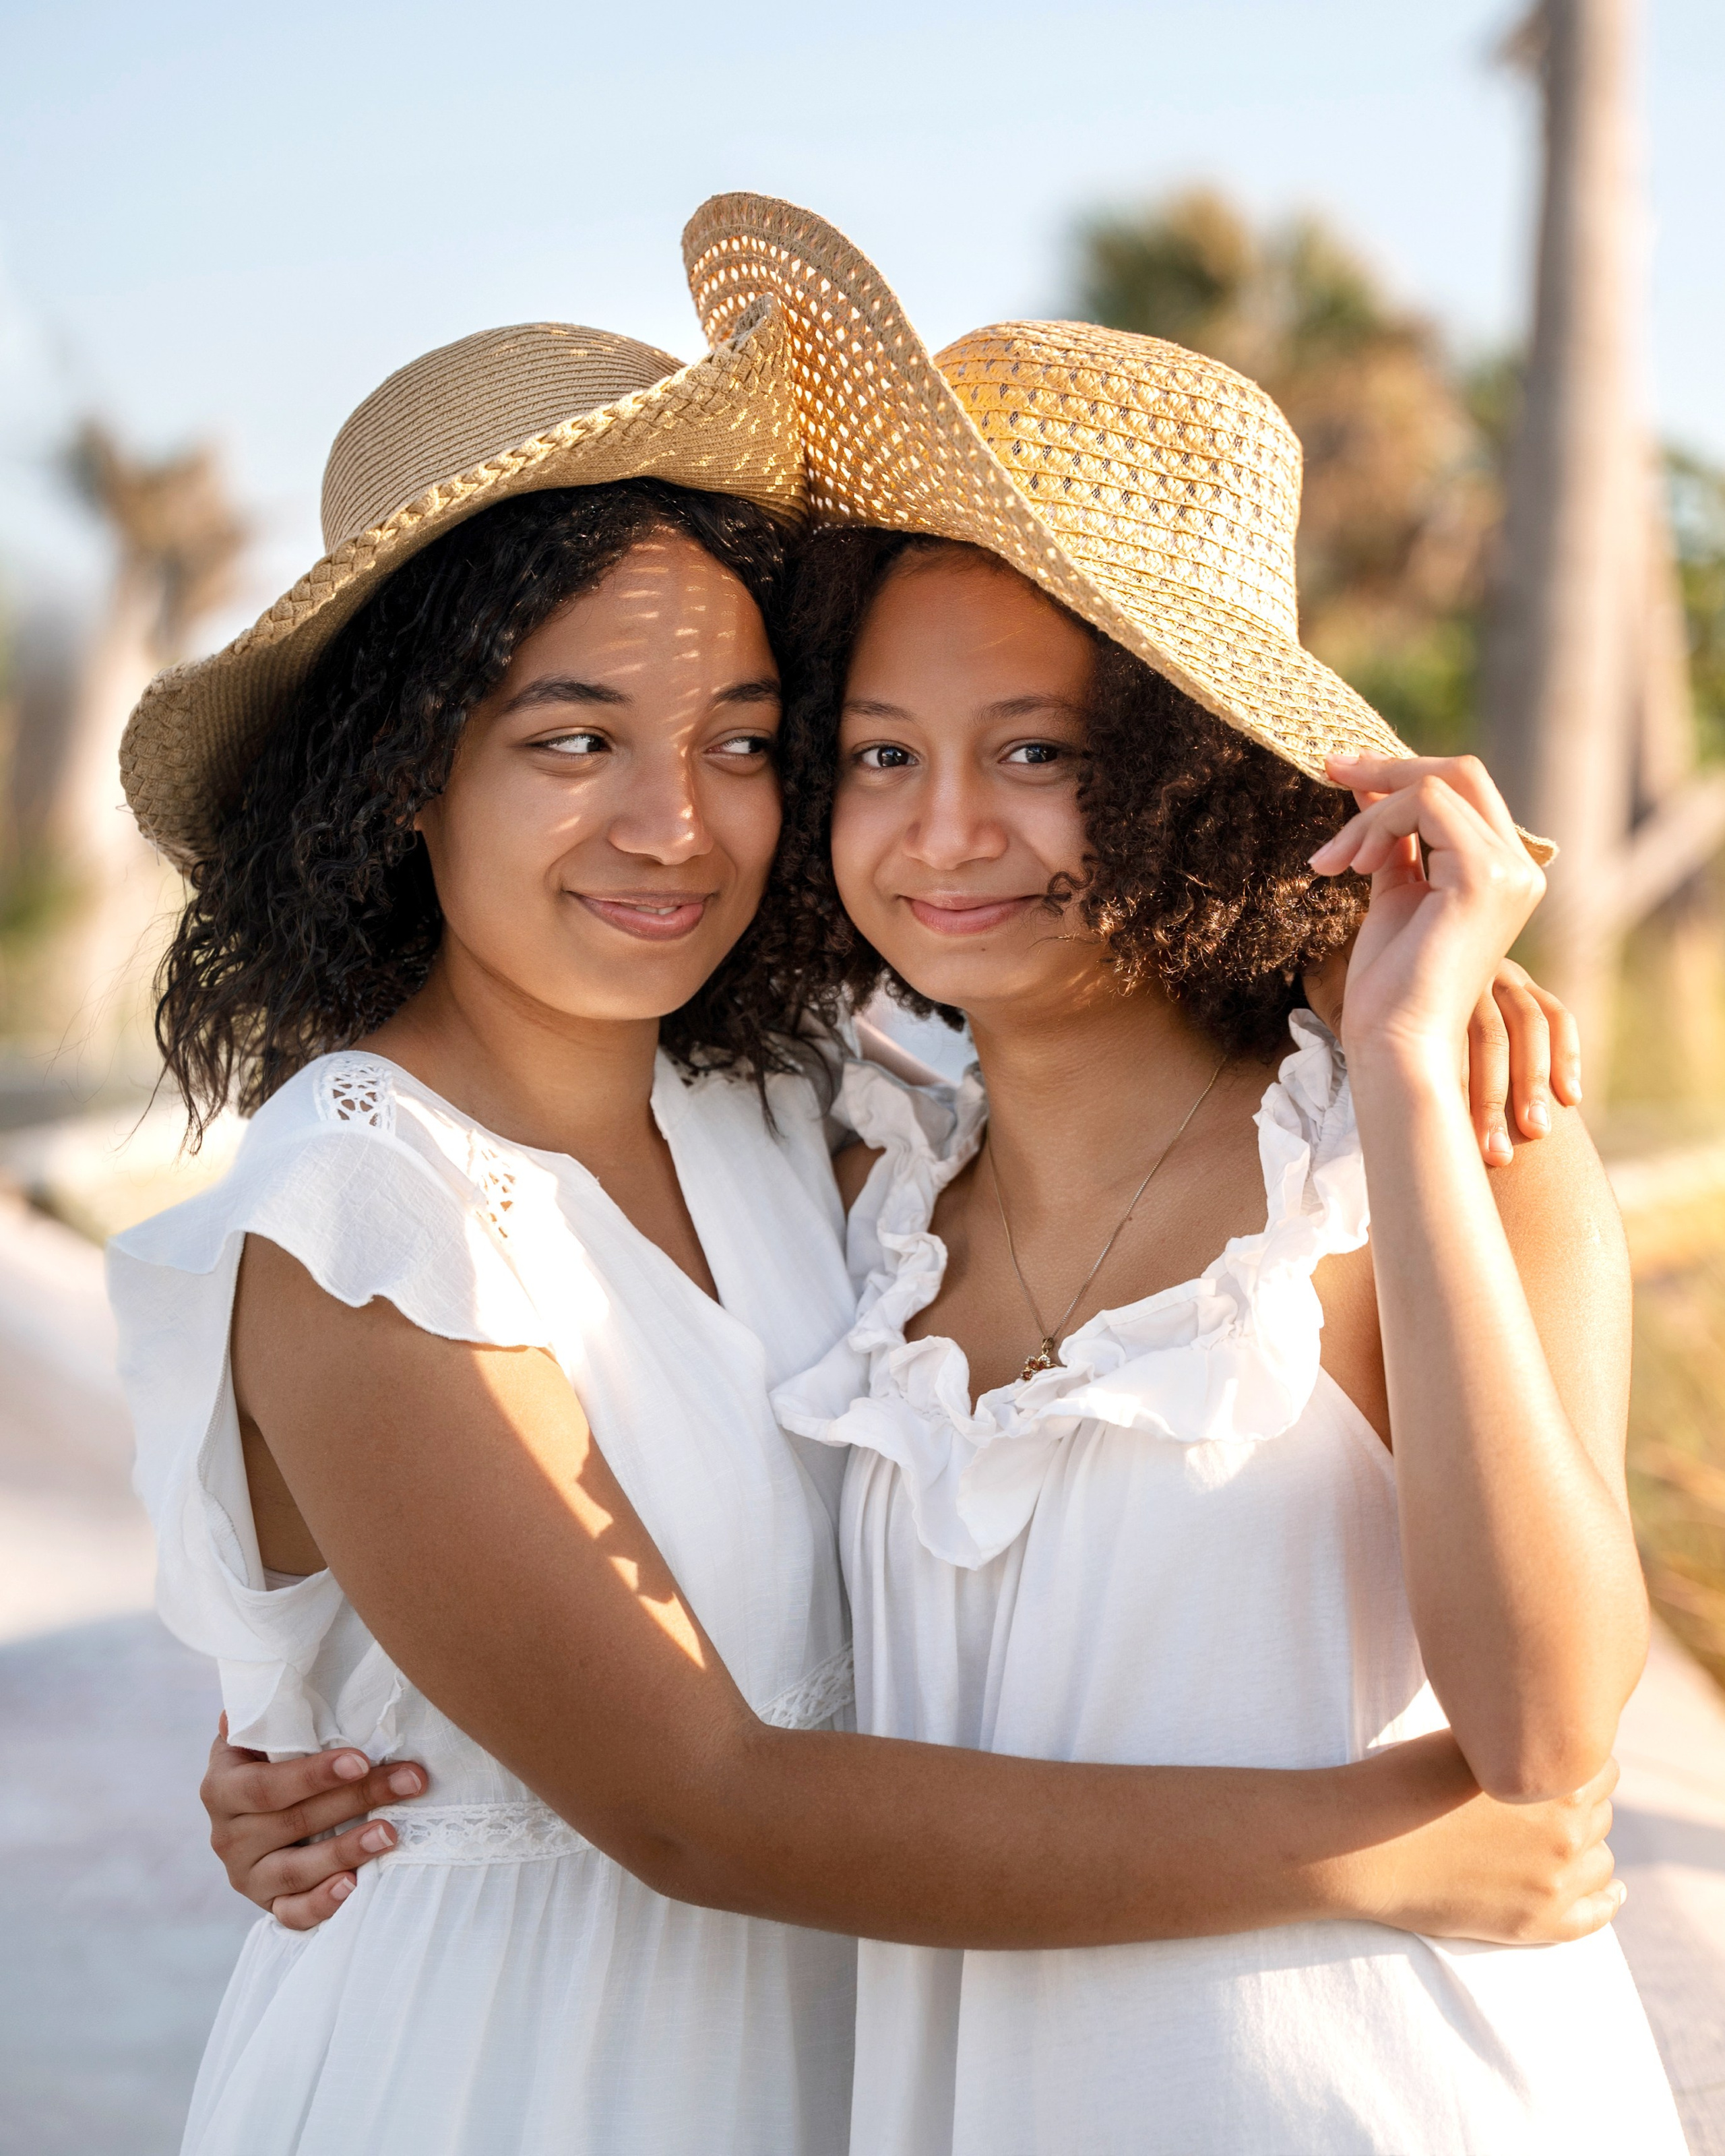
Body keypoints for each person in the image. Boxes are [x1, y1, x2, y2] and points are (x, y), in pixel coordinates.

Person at [144, 300, 1620, 2156]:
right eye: (573, 737)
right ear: (401, 766)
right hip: (526, 2078)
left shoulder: (815, 1142)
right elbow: (692, 1797)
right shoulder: (385, 1193)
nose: (676, 826)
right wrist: (1393, 1850)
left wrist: (1378, 1011)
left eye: (752, 744)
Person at [670, 196, 1685, 2153]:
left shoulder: (1436, 1140)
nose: (943, 832)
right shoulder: (856, 1190)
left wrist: (1392, 1052)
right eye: (878, 755)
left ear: (1190, 763)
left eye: (1035, 751)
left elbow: (1551, 1734)